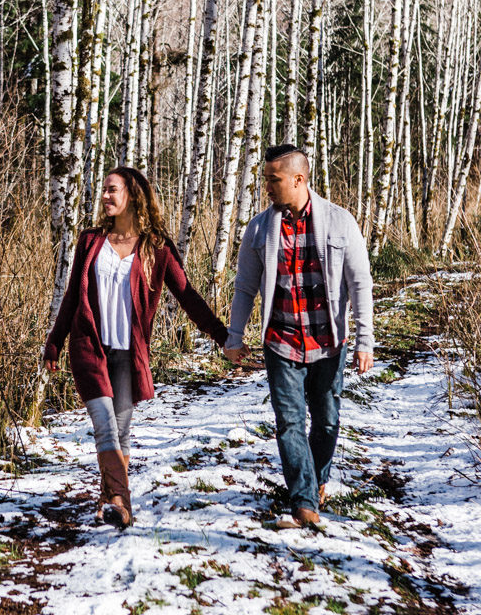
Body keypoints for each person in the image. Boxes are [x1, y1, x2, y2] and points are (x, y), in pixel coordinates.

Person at [43, 166, 229, 528]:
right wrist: (54, 342)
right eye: (104, 191)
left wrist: (222, 336)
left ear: (132, 195)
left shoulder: (155, 247)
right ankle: (122, 502)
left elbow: (188, 296)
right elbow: (71, 297)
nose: (105, 196)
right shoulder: (90, 241)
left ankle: (109, 501)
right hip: (89, 349)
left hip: (128, 356)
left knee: (122, 432)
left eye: (112, 190)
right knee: (105, 428)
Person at [223, 144, 374, 529]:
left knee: (326, 421)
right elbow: (244, 288)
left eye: (273, 181)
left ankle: (316, 481)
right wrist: (234, 335)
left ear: (298, 179)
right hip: (282, 342)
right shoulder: (259, 229)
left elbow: (360, 285)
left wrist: (364, 341)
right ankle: (303, 502)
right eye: (265, 181)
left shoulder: (340, 222)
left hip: (329, 342)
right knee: (289, 423)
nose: (267, 189)